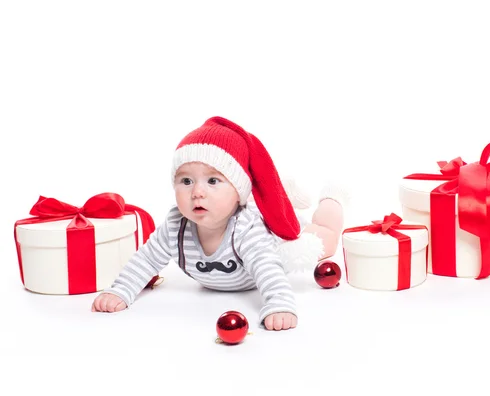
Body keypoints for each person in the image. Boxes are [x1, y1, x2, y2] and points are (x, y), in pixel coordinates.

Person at [91, 116, 347, 331]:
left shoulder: (246, 229)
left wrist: (279, 304)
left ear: (238, 192)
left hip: (278, 244)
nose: (197, 192)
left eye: (213, 181)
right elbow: (146, 260)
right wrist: (120, 291)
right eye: (186, 181)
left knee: (323, 240)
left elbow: (268, 269)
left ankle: (331, 201)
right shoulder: (175, 225)